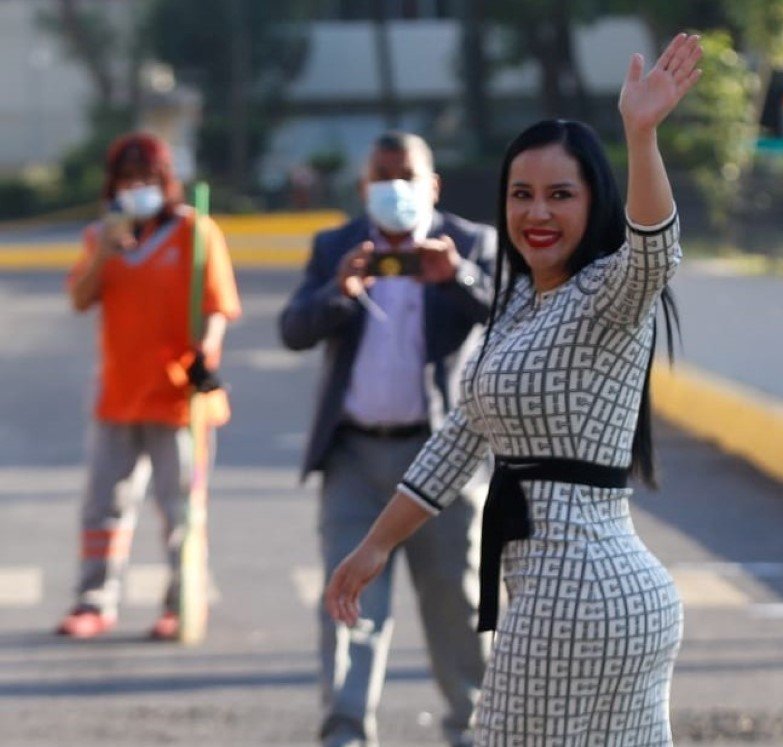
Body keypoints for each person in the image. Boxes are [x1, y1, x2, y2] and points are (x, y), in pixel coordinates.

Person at [325, 33, 703, 746]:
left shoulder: (607, 293)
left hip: (574, 594)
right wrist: (375, 546)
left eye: (561, 195)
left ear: (595, 200)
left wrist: (641, 135)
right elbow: (457, 442)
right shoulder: (522, 304)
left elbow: (654, 251)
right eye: (521, 195)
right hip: (594, 595)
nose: (538, 213)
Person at [279, 131, 495, 747]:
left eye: (407, 176)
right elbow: (293, 329)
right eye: (382, 177)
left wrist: (456, 278)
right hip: (353, 458)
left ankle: (472, 727)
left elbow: (514, 316)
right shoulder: (337, 246)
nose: (394, 188)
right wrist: (337, 293)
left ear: (433, 186)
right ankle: (345, 730)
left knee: (455, 601)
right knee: (349, 597)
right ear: (363, 187)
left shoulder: (471, 243)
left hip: (444, 460)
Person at [58, 132, 241, 641]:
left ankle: (181, 601)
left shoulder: (195, 232)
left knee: (180, 508)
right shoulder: (101, 236)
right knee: (103, 507)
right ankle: (95, 601)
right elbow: (80, 298)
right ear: (113, 185)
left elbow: (217, 306)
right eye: (127, 179)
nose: (137, 187)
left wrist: (206, 354)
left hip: (180, 396)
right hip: (118, 395)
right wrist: (103, 253)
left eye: (147, 178)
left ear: (165, 181)